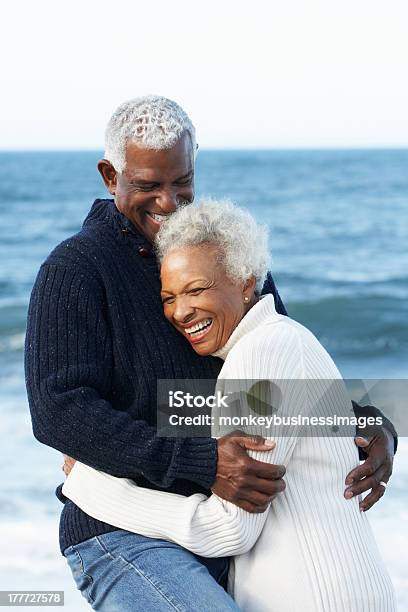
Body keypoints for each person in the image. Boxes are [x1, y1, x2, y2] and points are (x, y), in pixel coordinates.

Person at [25, 96, 397, 611]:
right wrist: (201, 459)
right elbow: (57, 410)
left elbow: (276, 380)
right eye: (148, 186)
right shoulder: (76, 269)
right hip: (124, 536)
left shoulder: (225, 254)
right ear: (111, 177)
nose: (168, 202)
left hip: (227, 532)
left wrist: (370, 424)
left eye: (181, 183)